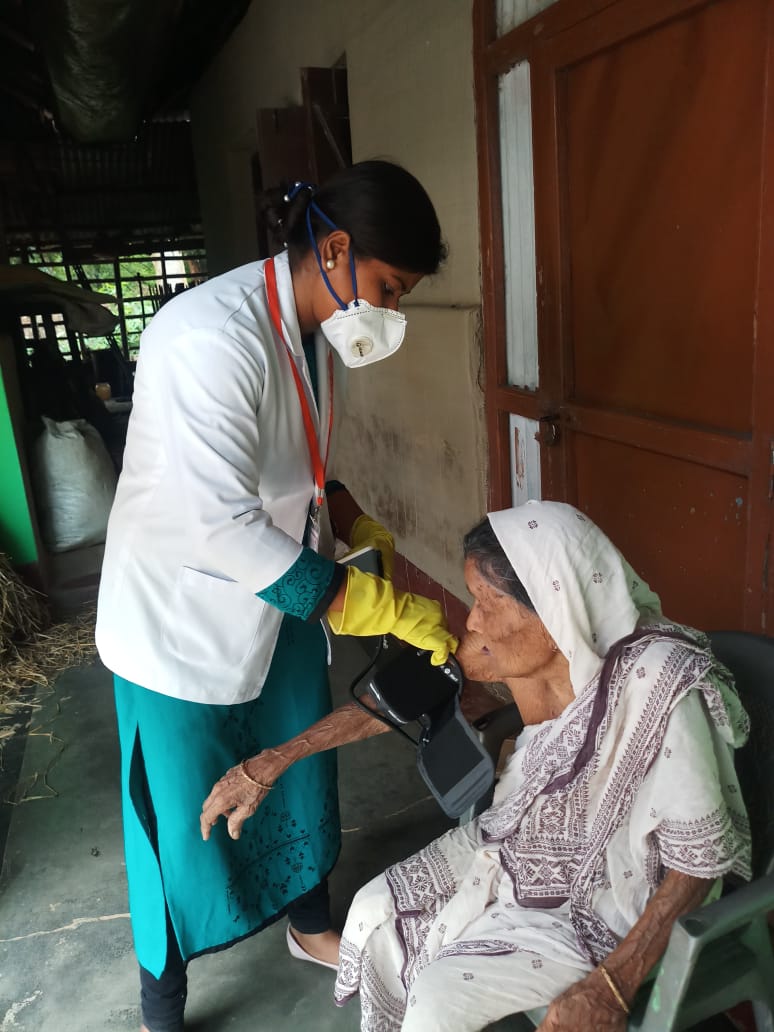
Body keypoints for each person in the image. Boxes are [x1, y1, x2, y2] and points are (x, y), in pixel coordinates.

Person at [95, 160, 458, 1032]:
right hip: (180, 617)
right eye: (389, 287)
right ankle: (163, 999)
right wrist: (367, 605)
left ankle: (310, 925)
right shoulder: (208, 337)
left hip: (282, 595)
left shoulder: (312, 328)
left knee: (300, 770)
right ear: (334, 248)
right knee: (183, 816)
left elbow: (299, 467)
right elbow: (216, 521)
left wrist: (354, 521)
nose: (393, 311)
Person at [202, 501, 751, 1032]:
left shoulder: (661, 679)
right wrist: (271, 762)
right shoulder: (514, 649)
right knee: (373, 913)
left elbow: (699, 863)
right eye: (473, 597)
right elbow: (391, 702)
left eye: (487, 601)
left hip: (615, 894)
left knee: (439, 1001)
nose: (474, 621)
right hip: (522, 837)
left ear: (554, 601)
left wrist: (613, 984)